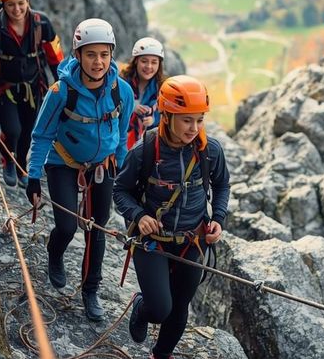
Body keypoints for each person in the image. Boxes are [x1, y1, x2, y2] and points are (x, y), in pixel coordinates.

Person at [24, 18, 135, 322]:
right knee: (67, 226)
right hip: (63, 163)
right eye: (90, 54)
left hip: (103, 166)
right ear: (78, 55)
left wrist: (122, 169)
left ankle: (91, 290)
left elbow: (123, 131)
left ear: (111, 55)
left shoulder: (121, 91)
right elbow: (42, 134)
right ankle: (55, 253)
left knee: (96, 229)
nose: (98, 62)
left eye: (104, 54)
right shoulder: (61, 92)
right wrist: (33, 176)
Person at [112, 75, 230, 359]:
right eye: (186, 120)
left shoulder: (209, 151)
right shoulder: (145, 151)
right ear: (167, 116)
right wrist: (139, 216)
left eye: (199, 120)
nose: (194, 128)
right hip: (152, 241)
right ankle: (141, 308)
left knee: (179, 308)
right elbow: (120, 190)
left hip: (191, 241)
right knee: (160, 308)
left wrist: (220, 219)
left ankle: (160, 355)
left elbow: (222, 184)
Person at [0, 0, 64, 188]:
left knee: (29, 130)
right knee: (12, 129)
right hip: (4, 86)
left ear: (28, 1)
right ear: (3, 5)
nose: (17, 9)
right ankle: (8, 159)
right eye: (11, 5)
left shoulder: (41, 23)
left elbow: (55, 56)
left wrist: (63, 84)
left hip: (34, 85)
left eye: (21, 3)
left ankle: (21, 166)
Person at [119, 37, 165, 149]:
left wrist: (154, 119)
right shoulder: (122, 82)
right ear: (136, 62)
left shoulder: (163, 88)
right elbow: (111, 105)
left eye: (154, 62)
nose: (149, 66)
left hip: (149, 144)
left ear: (159, 65)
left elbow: (168, 116)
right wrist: (132, 106)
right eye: (144, 61)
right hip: (121, 139)